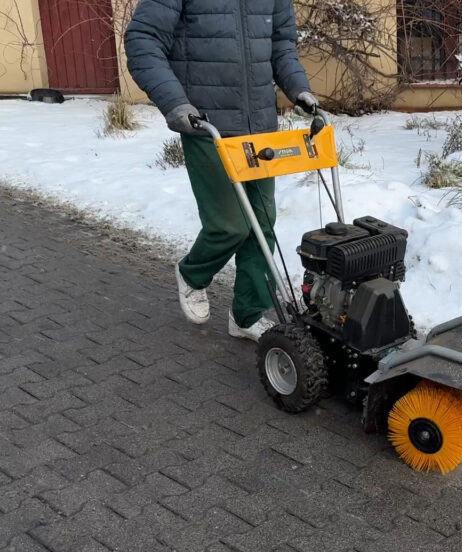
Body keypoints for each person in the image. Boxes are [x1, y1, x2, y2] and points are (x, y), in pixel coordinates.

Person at [124, 0, 318, 341]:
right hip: (206, 124)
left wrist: (297, 86)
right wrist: (175, 102)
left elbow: (281, 43)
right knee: (229, 225)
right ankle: (192, 274)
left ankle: (246, 315)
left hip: (259, 127)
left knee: (261, 226)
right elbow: (143, 40)